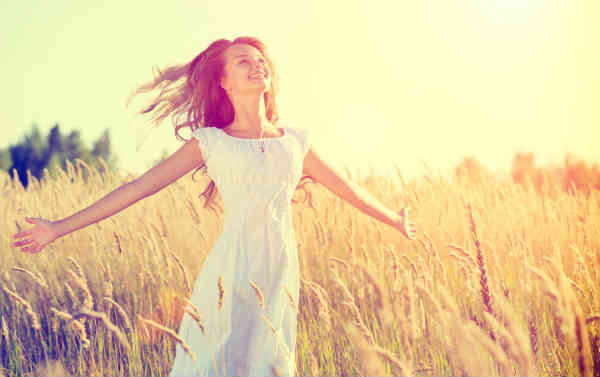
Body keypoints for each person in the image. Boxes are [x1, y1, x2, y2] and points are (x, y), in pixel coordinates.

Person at [11, 36, 416, 376]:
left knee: (269, 363)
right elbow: (138, 188)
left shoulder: (295, 142)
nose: (257, 66)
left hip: (278, 272)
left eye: (261, 61)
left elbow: (350, 191)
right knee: (213, 361)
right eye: (244, 62)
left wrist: (394, 219)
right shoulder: (211, 142)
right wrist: (58, 227)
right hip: (230, 271)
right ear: (224, 81)